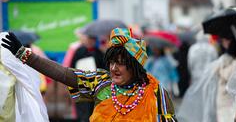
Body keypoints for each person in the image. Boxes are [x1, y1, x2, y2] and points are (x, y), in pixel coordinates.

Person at [1, 28, 177, 122]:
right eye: (112, 62)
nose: (114, 68)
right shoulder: (101, 82)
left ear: (136, 67)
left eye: (121, 63)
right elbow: (64, 73)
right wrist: (25, 55)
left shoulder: (155, 93)